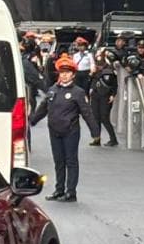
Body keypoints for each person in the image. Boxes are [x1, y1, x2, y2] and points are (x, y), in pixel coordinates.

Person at [30, 56, 96, 203]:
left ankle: (71, 192)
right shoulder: (53, 90)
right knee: (58, 161)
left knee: (71, 161)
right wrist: (32, 120)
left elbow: (86, 112)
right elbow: (43, 108)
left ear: (73, 75)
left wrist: (94, 131)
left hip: (70, 131)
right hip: (54, 131)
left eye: (68, 72)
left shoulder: (78, 92)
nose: (64, 75)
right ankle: (59, 189)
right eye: (62, 72)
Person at [89, 54, 118, 148]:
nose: (99, 66)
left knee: (104, 118)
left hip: (105, 95)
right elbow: (90, 82)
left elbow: (114, 84)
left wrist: (113, 95)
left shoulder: (109, 72)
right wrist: (91, 74)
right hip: (95, 95)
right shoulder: (95, 71)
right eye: (98, 64)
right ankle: (97, 139)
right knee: (96, 118)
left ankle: (113, 139)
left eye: (100, 64)